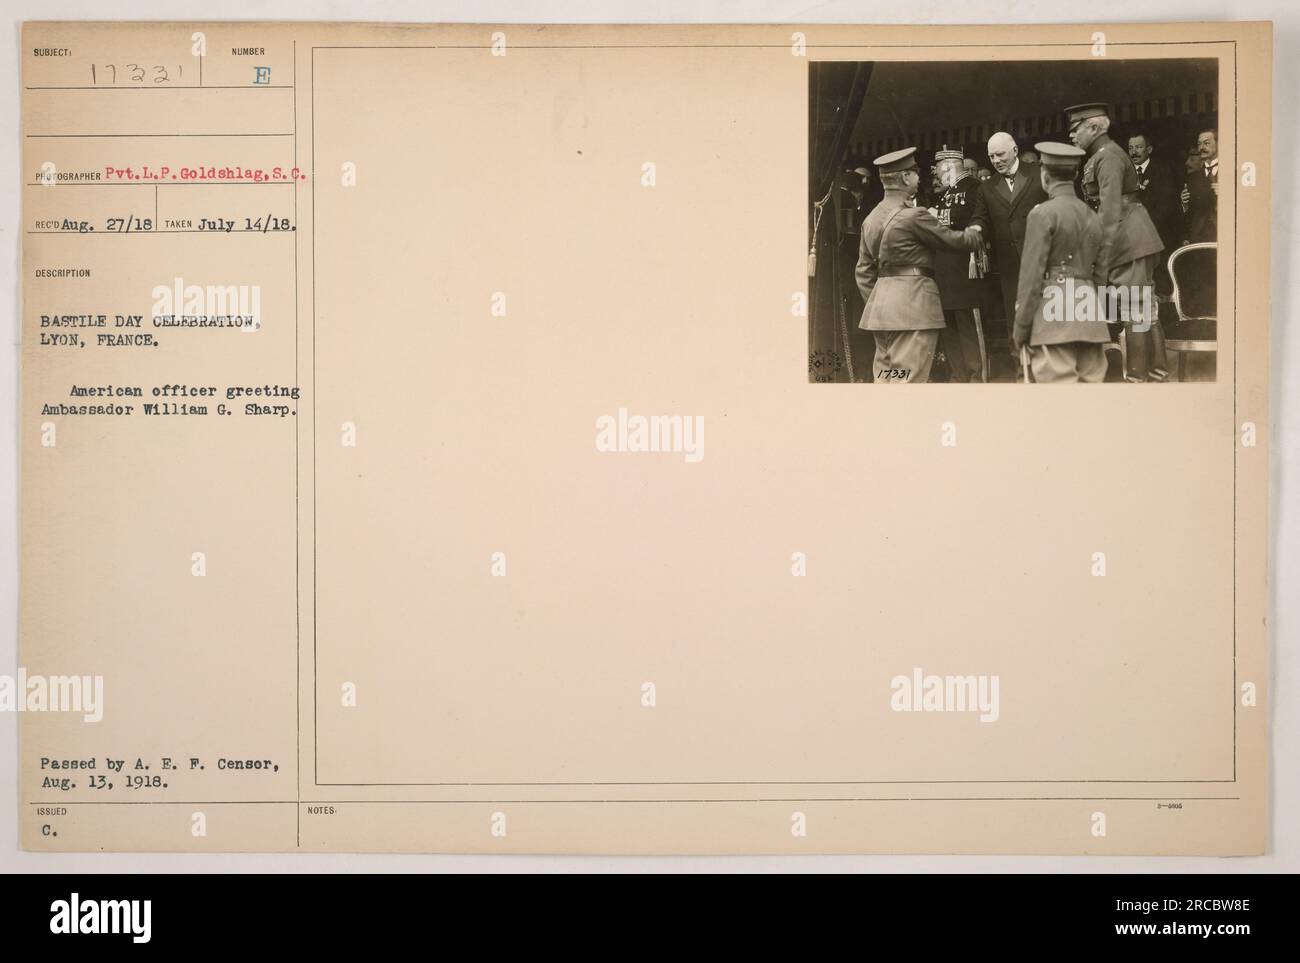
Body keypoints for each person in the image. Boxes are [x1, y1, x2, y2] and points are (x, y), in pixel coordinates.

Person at [855, 147, 984, 383]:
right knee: (910, 381)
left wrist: (881, 302)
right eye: (915, 172)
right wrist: (976, 232)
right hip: (913, 310)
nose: (920, 177)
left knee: (887, 378)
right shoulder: (915, 216)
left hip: (881, 313)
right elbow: (955, 241)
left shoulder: (870, 218)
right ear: (905, 177)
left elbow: (863, 272)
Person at [1067, 102, 1168, 382]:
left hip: (1129, 238)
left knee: (1136, 308)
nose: (1072, 136)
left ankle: (1138, 380)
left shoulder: (1108, 156)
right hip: (1130, 237)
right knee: (1144, 309)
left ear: (1096, 127)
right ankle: (1156, 375)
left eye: (1076, 129)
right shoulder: (1101, 155)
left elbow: (1109, 210)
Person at [1012, 142, 1111, 383]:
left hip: (1052, 317)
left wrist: (1021, 329)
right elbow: (1101, 274)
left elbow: (1031, 279)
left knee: (1058, 401)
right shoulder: (1094, 216)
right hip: (1089, 316)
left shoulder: (1042, 214)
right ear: (1076, 174)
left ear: (1044, 176)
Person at [968, 131, 1048, 379]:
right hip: (1011, 266)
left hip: (1044, 259)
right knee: (1016, 318)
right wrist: (974, 229)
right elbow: (979, 218)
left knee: (1047, 314)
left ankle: (1050, 371)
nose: (995, 160)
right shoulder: (987, 187)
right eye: (991, 156)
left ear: (1014, 150)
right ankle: (1022, 373)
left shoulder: (1039, 174)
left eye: (1000, 154)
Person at [930, 145, 987, 382]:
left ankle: (976, 376)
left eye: (939, 168)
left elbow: (975, 222)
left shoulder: (975, 188)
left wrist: (936, 218)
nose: (935, 173)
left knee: (967, 323)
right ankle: (958, 375)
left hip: (965, 267)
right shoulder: (944, 193)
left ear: (950, 165)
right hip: (944, 268)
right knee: (949, 323)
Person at [1127, 130, 1183, 293]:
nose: (1134, 152)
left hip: (1157, 235)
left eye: (1138, 147)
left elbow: (1166, 205)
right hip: (1130, 239)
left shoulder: (1162, 170)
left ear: (1149, 150)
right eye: (1130, 148)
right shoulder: (1124, 173)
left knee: (1158, 281)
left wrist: (1143, 228)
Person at [1182, 128, 1219, 243]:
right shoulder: (1193, 178)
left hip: (1224, 235)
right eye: (1199, 144)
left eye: (1206, 143)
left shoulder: (1232, 172)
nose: (1201, 147)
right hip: (1198, 239)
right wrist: (1184, 204)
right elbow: (1189, 214)